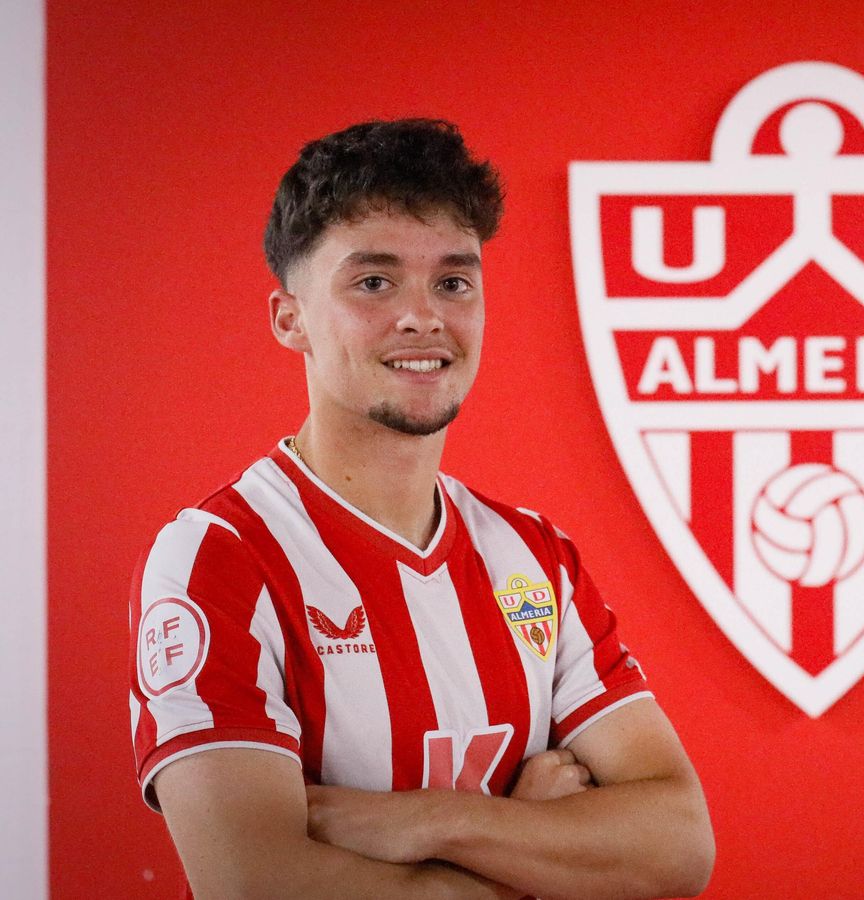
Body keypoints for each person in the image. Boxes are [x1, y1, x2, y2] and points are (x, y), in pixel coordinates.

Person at [128, 118, 714, 899]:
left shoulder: (535, 557)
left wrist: (430, 820)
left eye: (453, 281)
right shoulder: (219, 558)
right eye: (373, 282)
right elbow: (252, 886)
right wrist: (531, 857)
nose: (422, 316)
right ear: (289, 319)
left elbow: (677, 845)